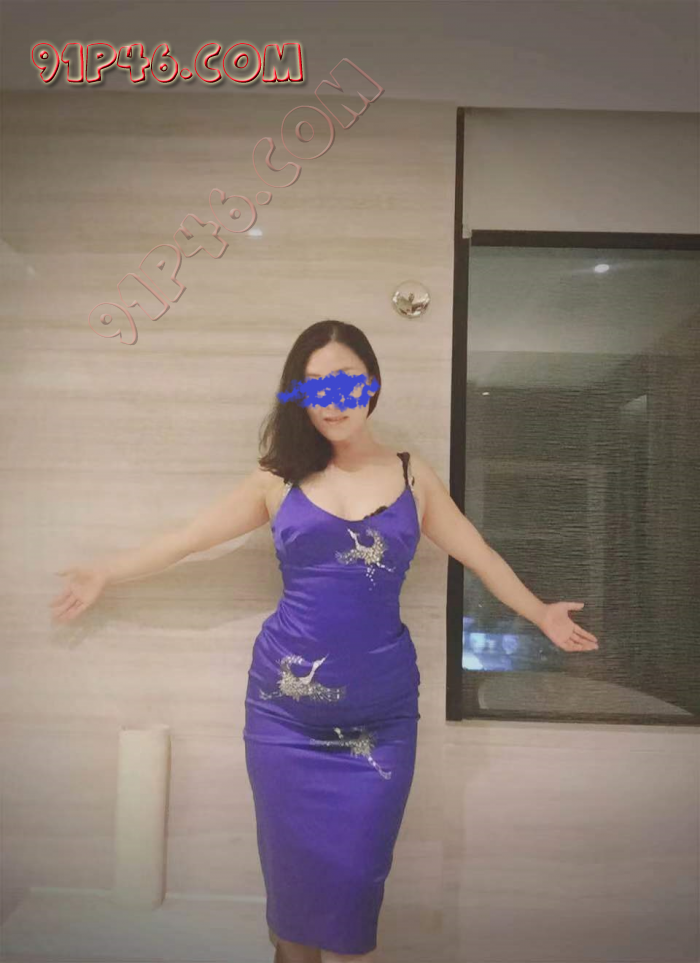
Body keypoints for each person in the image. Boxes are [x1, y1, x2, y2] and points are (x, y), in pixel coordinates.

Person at [49, 319, 598, 963]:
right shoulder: (276, 479)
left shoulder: (412, 476)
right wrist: (106, 571)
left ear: (372, 384)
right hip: (284, 717)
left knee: (355, 894)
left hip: (380, 717)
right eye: (315, 386)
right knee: (295, 903)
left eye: (344, 381)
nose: (332, 400)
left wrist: (540, 613)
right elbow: (187, 539)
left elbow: (478, 555)